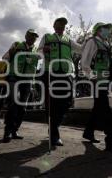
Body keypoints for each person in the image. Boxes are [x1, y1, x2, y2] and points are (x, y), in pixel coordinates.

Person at [80, 22, 112, 153]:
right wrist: (92, 78)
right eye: (105, 28)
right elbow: (84, 63)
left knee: (98, 109)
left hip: (105, 82)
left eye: (108, 29)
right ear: (98, 30)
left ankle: (88, 132)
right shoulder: (92, 42)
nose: (108, 31)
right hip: (97, 82)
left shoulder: (107, 45)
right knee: (106, 111)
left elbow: (110, 65)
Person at [37, 17, 81, 147]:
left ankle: (54, 127)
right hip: (49, 72)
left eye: (63, 24)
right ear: (54, 26)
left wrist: (91, 41)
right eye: (59, 23)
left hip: (66, 74)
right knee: (51, 103)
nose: (61, 26)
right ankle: (54, 134)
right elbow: (38, 52)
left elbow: (81, 49)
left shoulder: (68, 40)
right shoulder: (47, 37)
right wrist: (43, 51)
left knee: (67, 101)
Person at [2, 29, 39, 143]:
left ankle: (15, 130)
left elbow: (36, 66)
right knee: (13, 104)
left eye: (34, 36)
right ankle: (7, 132)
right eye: (31, 35)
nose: (33, 38)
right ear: (26, 35)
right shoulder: (17, 44)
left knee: (22, 107)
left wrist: (33, 84)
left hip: (28, 81)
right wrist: (12, 52)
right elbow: (5, 58)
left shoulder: (36, 50)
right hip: (14, 77)